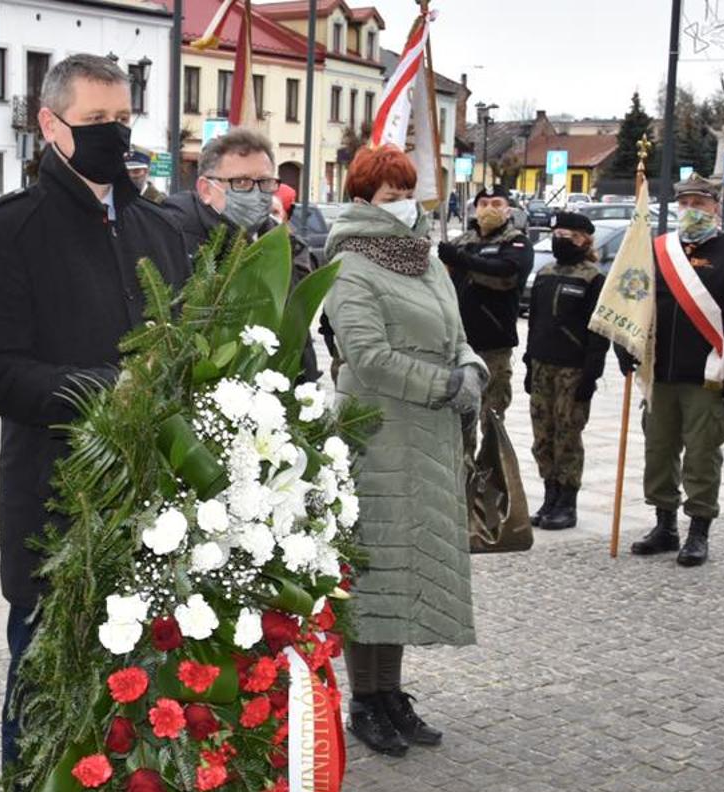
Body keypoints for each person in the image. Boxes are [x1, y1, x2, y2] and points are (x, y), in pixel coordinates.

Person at [0, 54, 192, 767]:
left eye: (123, 121)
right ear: (50, 125)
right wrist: (108, 390)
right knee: (45, 701)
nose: (115, 138)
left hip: (155, 506)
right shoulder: (8, 229)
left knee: (144, 701)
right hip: (57, 509)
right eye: (96, 122)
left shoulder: (161, 227)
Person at [323, 145, 482, 758]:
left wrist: (469, 369)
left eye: (407, 193)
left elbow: (458, 335)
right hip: (378, 434)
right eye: (391, 196)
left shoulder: (427, 260)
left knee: (408, 568)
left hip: (431, 439)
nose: (403, 206)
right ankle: (364, 700)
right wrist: (445, 384)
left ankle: (391, 694)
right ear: (363, 199)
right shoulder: (349, 263)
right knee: (375, 574)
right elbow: (366, 356)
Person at [624, 174, 724, 567]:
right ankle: (664, 524)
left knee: (702, 454)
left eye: (699, 205)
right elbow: (635, 299)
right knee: (658, 450)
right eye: (685, 205)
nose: (691, 212)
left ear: (715, 207)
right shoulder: (658, 249)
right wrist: (626, 345)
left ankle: (698, 529)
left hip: (707, 372)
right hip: (660, 371)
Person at [163, 128, 319, 381]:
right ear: (206, 189)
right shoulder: (175, 241)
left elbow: (297, 335)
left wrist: (306, 388)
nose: (257, 193)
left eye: (265, 182)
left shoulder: (281, 244)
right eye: (242, 182)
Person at [523, 212, 610, 530]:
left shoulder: (593, 278)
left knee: (567, 435)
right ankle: (549, 496)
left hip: (573, 370)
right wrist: (529, 363)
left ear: (585, 240)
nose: (561, 240)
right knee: (542, 437)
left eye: (570, 236)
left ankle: (567, 503)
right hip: (543, 365)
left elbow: (599, 332)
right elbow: (535, 322)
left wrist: (592, 372)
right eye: (557, 233)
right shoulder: (545, 273)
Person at [438, 186, 531, 420]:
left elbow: (506, 275)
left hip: (494, 345)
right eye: (483, 204)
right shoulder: (461, 242)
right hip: (460, 342)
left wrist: (463, 261)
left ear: (508, 210)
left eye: (496, 204)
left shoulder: (516, 242)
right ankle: (465, 459)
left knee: (491, 418)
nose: (489, 209)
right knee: (460, 419)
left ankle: (493, 458)